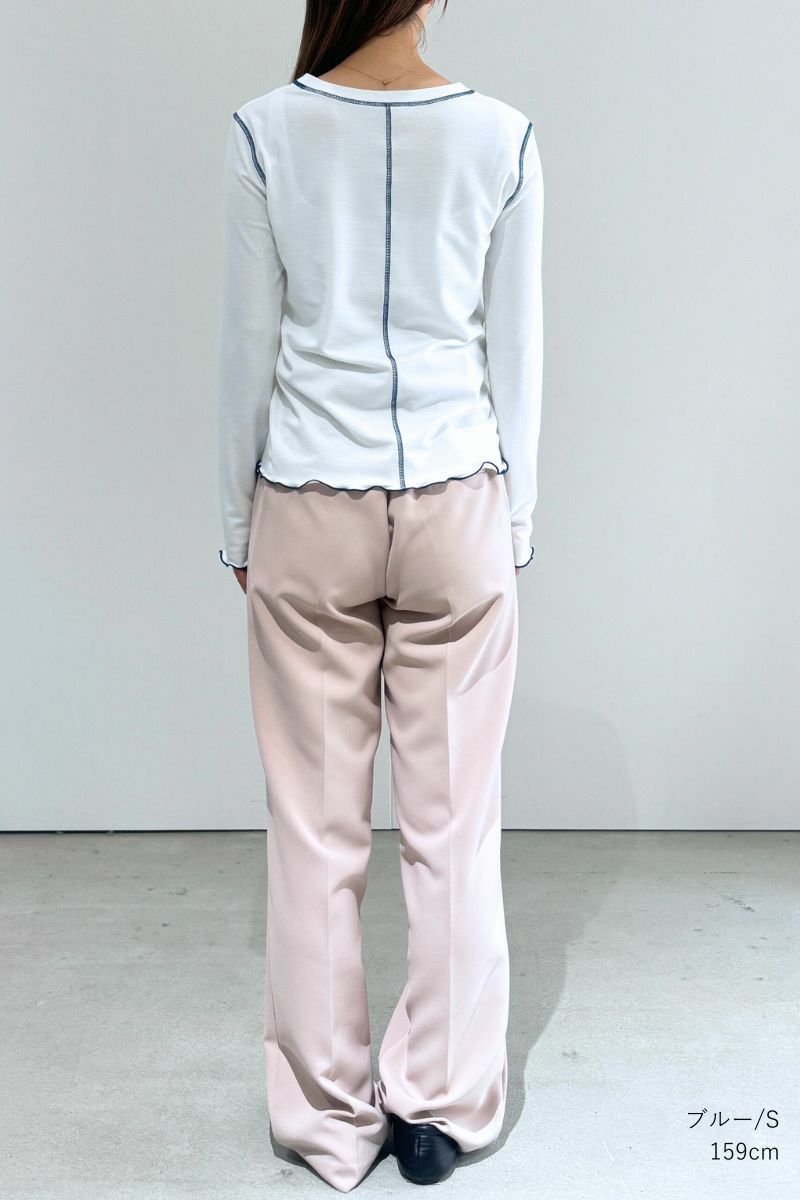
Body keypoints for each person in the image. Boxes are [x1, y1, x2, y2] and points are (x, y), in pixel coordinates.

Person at [216, 0, 544, 1191]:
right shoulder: (501, 135)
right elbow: (516, 349)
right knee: (454, 825)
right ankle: (439, 1108)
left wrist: (235, 521)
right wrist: (513, 521)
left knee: (313, 828)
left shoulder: (267, 129)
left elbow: (248, 345)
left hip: (309, 494)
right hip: (458, 497)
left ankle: (325, 1121)